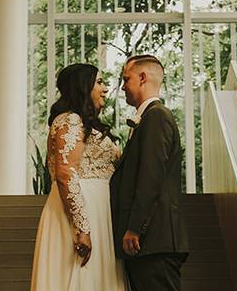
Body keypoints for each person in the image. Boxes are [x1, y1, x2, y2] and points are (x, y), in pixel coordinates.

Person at [30, 63, 129, 290]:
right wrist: (82, 227)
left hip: (98, 211)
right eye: (99, 82)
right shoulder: (69, 120)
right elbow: (65, 174)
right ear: (83, 87)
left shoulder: (84, 123)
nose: (105, 89)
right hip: (79, 213)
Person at [110, 54, 190, 291]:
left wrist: (135, 227)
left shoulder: (156, 116)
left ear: (142, 77)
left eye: (126, 79)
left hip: (154, 240)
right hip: (150, 242)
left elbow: (151, 177)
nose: (123, 86)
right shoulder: (148, 118)